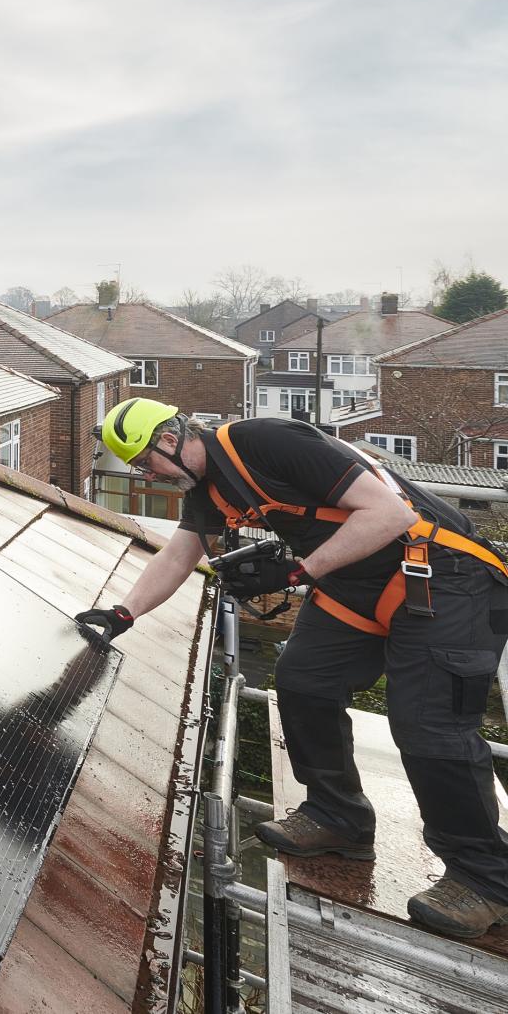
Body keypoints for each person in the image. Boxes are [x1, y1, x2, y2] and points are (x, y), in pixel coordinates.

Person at [77, 399, 508, 940]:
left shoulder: (266, 443)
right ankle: (339, 818)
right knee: (304, 684)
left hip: (443, 578)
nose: (149, 477)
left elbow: (391, 515)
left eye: (146, 464)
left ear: (169, 438)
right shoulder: (208, 488)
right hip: (356, 587)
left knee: (429, 726)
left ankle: (486, 881)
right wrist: (122, 614)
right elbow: (180, 555)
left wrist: (297, 571)